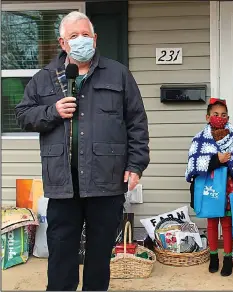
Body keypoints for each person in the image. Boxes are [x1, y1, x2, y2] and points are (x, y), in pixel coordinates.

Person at [15, 11, 150, 291]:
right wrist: (52, 111)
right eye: (73, 36)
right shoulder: (45, 78)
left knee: (100, 256)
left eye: (85, 35)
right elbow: (23, 115)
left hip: (106, 181)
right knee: (61, 256)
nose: (81, 41)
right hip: (63, 184)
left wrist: (136, 166)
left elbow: (137, 123)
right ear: (62, 43)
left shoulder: (118, 74)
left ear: (96, 38)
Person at [185, 98, 233, 277]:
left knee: (226, 223)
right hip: (208, 186)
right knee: (211, 223)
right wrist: (216, 160)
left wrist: (229, 161)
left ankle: (227, 258)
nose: (220, 117)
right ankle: (213, 257)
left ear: (228, 117)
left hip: (227, 186)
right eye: (215, 114)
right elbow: (195, 163)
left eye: (223, 115)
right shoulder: (200, 138)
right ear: (207, 116)